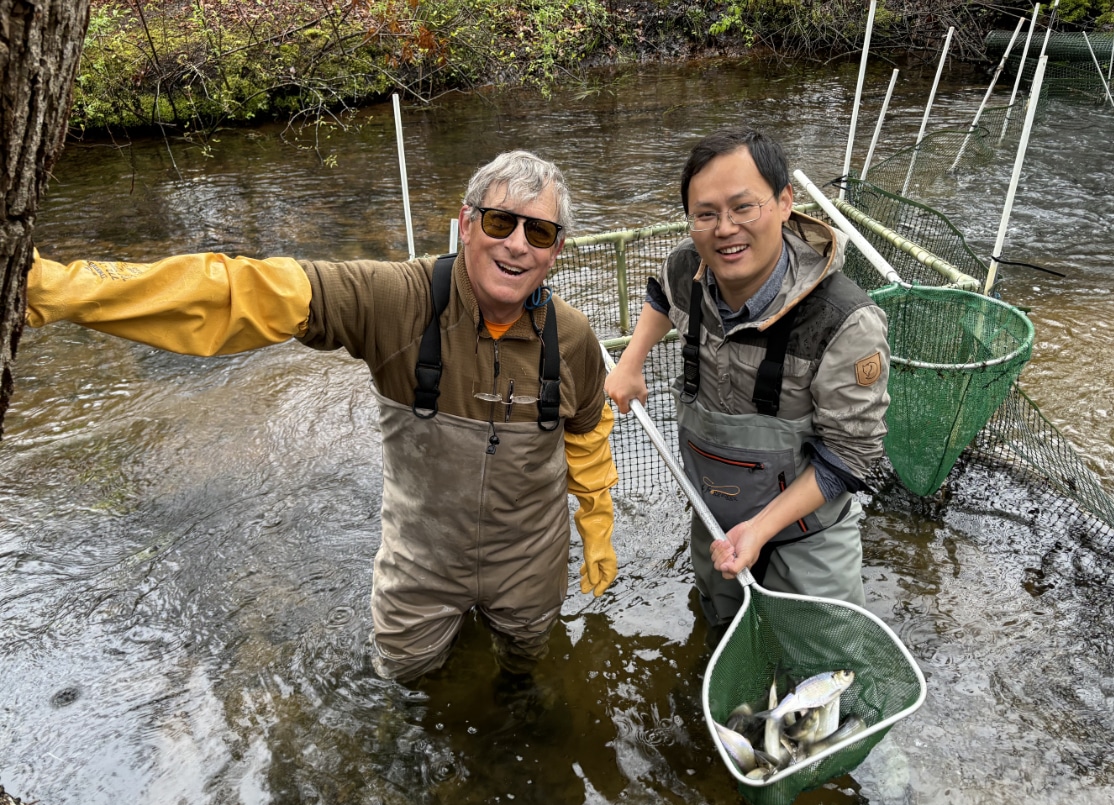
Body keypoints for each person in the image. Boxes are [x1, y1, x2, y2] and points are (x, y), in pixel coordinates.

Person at [24, 149, 619, 682]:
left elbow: (588, 432)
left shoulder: (571, 338)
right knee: (406, 680)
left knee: (527, 665)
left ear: (556, 251)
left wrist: (596, 523)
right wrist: (64, 291)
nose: (517, 244)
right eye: (500, 222)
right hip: (424, 561)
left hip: (530, 560)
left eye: (538, 232)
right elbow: (248, 291)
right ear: (466, 224)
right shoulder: (397, 302)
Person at [604, 126, 888, 628]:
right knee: (724, 631)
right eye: (706, 215)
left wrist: (759, 529)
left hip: (809, 530)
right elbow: (660, 295)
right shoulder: (686, 268)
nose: (725, 229)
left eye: (743, 208)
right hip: (714, 516)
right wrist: (631, 363)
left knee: (821, 664)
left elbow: (852, 458)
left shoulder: (845, 320)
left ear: (784, 202)